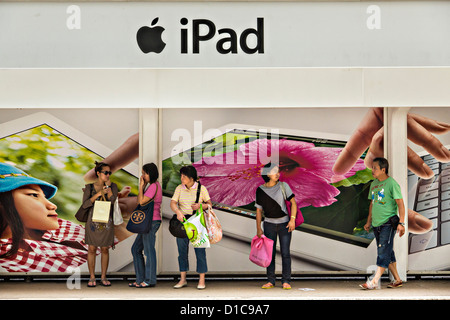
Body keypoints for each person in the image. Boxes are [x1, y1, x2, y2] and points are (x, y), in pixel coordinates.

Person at [0, 162, 88, 272]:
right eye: (34, 195)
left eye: (45, 196)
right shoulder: (7, 265)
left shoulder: (59, 226)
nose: (52, 205)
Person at [360, 157, 405, 290]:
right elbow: (372, 204)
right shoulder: (374, 184)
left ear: (383, 169)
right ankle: (397, 280)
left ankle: (374, 281)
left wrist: (401, 223)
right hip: (376, 223)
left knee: (383, 251)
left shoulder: (392, 183)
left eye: (375, 168)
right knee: (387, 251)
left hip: (388, 222)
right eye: (372, 168)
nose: (372, 170)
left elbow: (400, 204)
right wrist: (369, 222)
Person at [255, 162, 297, 290]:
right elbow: (258, 211)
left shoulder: (283, 186)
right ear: (267, 173)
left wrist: (292, 220)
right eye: (274, 171)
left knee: (285, 253)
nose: (278, 174)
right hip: (269, 225)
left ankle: (286, 281)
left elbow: (293, 204)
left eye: (278, 171)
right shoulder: (260, 190)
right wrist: (258, 228)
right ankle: (271, 280)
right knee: (270, 254)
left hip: (284, 224)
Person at [170, 165, 212, 290]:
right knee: (182, 252)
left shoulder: (201, 188)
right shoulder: (179, 188)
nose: (182, 178)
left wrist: (201, 205)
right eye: (181, 176)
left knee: (200, 251)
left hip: (198, 223)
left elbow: (210, 205)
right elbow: (172, 202)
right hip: (183, 223)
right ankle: (183, 279)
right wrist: (178, 212)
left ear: (191, 178)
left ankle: (202, 279)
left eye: (184, 176)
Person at [81, 161, 118, 287]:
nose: (108, 175)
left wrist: (109, 190)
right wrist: (97, 194)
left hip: (107, 222)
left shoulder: (113, 187)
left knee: (105, 249)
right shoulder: (89, 187)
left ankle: (103, 277)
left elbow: (114, 202)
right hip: (92, 222)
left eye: (109, 173)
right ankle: (92, 277)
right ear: (98, 173)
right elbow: (85, 205)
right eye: (105, 172)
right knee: (91, 249)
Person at [129, 163, 162, 288]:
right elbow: (139, 200)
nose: (142, 176)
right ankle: (140, 279)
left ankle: (149, 280)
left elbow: (142, 201)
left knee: (149, 251)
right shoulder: (150, 186)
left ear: (151, 173)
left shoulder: (154, 186)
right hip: (148, 222)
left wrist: (141, 186)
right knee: (136, 249)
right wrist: (142, 188)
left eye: (144, 173)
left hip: (152, 222)